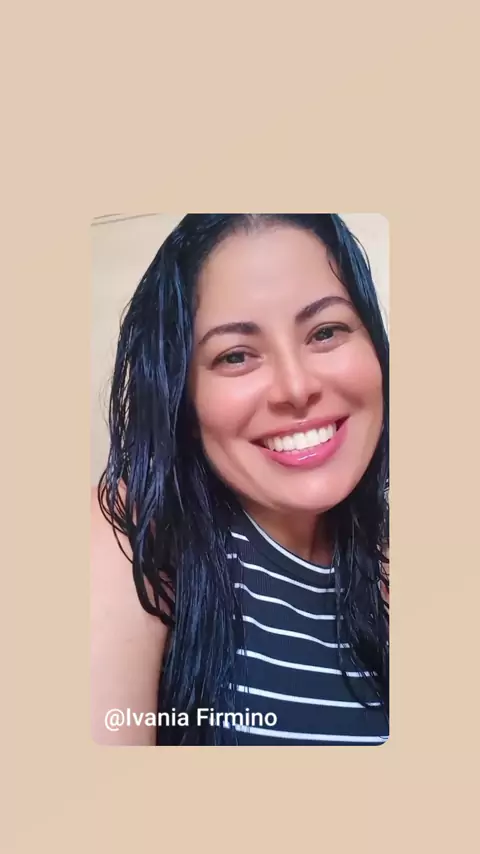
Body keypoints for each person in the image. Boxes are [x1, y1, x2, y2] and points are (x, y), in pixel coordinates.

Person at [90, 214, 389, 746]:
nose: (295, 388)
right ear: (183, 398)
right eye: (234, 355)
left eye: (326, 331)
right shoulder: (136, 536)